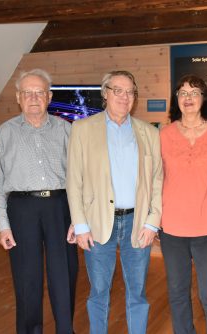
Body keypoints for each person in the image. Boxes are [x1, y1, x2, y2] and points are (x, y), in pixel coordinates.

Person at [65, 70, 163, 334]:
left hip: (137, 223)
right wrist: (81, 224)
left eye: (130, 91)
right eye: (117, 90)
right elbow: (74, 180)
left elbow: (156, 180)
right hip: (97, 223)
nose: (124, 96)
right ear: (105, 93)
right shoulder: (82, 129)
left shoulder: (148, 133)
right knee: (98, 291)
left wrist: (153, 223)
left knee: (138, 292)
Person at [0, 69, 78, 333]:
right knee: (27, 278)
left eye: (39, 92)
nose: (34, 97)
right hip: (21, 209)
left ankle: (65, 328)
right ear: (18, 98)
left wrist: (78, 219)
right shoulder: (4, 134)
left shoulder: (66, 130)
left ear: (49, 97)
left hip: (60, 207)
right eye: (27, 92)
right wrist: (3, 224)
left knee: (64, 275)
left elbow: (78, 178)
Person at [159, 74, 207, 334]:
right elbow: (155, 181)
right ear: (176, 100)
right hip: (171, 231)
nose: (188, 98)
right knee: (177, 295)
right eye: (182, 92)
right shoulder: (164, 135)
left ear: (204, 99)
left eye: (194, 92)